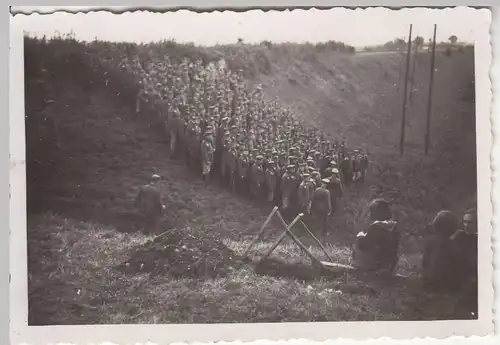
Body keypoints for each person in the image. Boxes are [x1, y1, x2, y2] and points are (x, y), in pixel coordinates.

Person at [352, 199, 399, 276]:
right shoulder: (394, 226)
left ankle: (359, 266)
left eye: (370, 211)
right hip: (391, 265)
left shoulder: (376, 226)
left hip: (377, 265)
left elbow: (364, 245)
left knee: (359, 240)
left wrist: (360, 236)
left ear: (376, 212)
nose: (369, 214)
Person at [422, 210, 461, 291]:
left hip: (429, 283)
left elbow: (425, 263)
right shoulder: (452, 245)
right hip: (444, 286)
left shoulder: (431, 242)